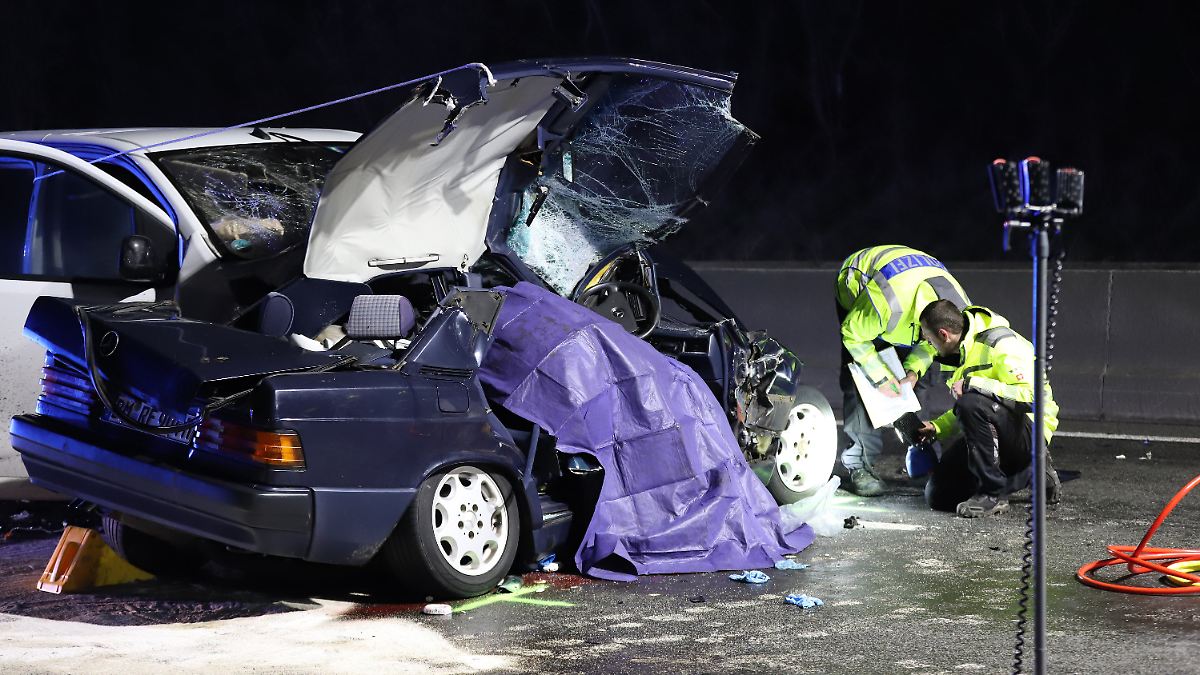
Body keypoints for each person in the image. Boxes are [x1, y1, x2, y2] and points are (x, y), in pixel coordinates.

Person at [835, 245, 970, 496]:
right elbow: (853, 335)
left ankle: (922, 456)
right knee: (863, 381)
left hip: (908, 306)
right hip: (860, 288)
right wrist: (881, 377)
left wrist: (914, 370)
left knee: (922, 379)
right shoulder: (884, 303)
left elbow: (933, 346)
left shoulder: (958, 310)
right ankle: (859, 464)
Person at [914, 299, 1063, 517]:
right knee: (938, 495)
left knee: (971, 400)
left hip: (1029, 433)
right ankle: (1030, 474)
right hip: (997, 433)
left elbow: (1033, 397)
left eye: (929, 340)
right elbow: (973, 413)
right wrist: (937, 428)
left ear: (944, 335)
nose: (929, 346)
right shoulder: (956, 355)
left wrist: (974, 384)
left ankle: (993, 493)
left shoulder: (1002, 343)